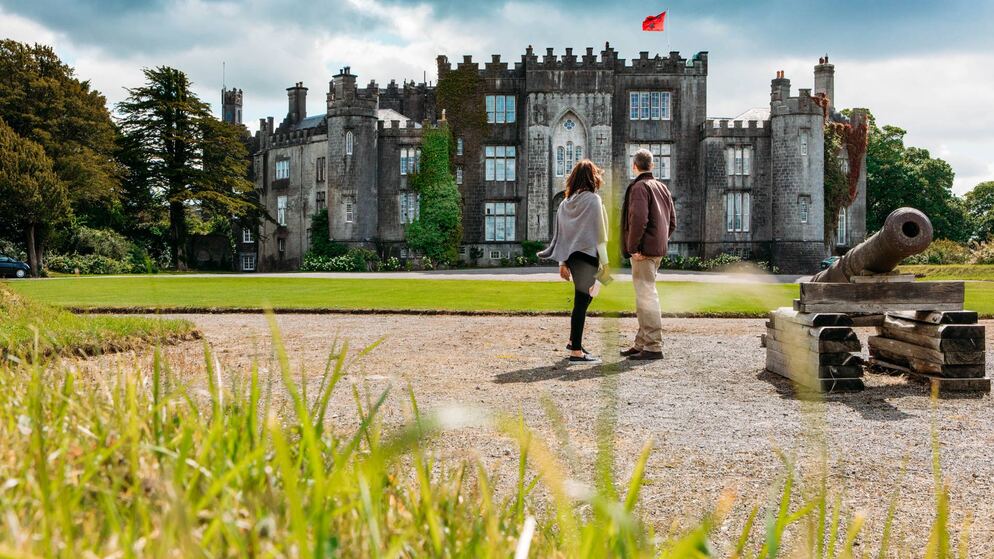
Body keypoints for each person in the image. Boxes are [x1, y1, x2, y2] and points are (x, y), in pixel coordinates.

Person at [538, 160, 609, 364]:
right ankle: (576, 351)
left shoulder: (564, 203)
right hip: (588, 256)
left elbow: (561, 236)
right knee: (582, 302)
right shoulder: (593, 200)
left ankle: (573, 341)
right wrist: (606, 264)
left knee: (584, 300)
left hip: (572, 257)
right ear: (591, 177)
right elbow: (600, 235)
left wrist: (562, 262)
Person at [620, 148, 676, 361]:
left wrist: (634, 248)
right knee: (644, 295)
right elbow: (672, 223)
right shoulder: (662, 187)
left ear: (634, 166)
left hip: (643, 252)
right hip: (656, 250)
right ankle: (641, 342)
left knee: (646, 296)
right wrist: (659, 241)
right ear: (652, 166)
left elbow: (638, 219)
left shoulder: (639, 187)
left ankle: (653, 345)